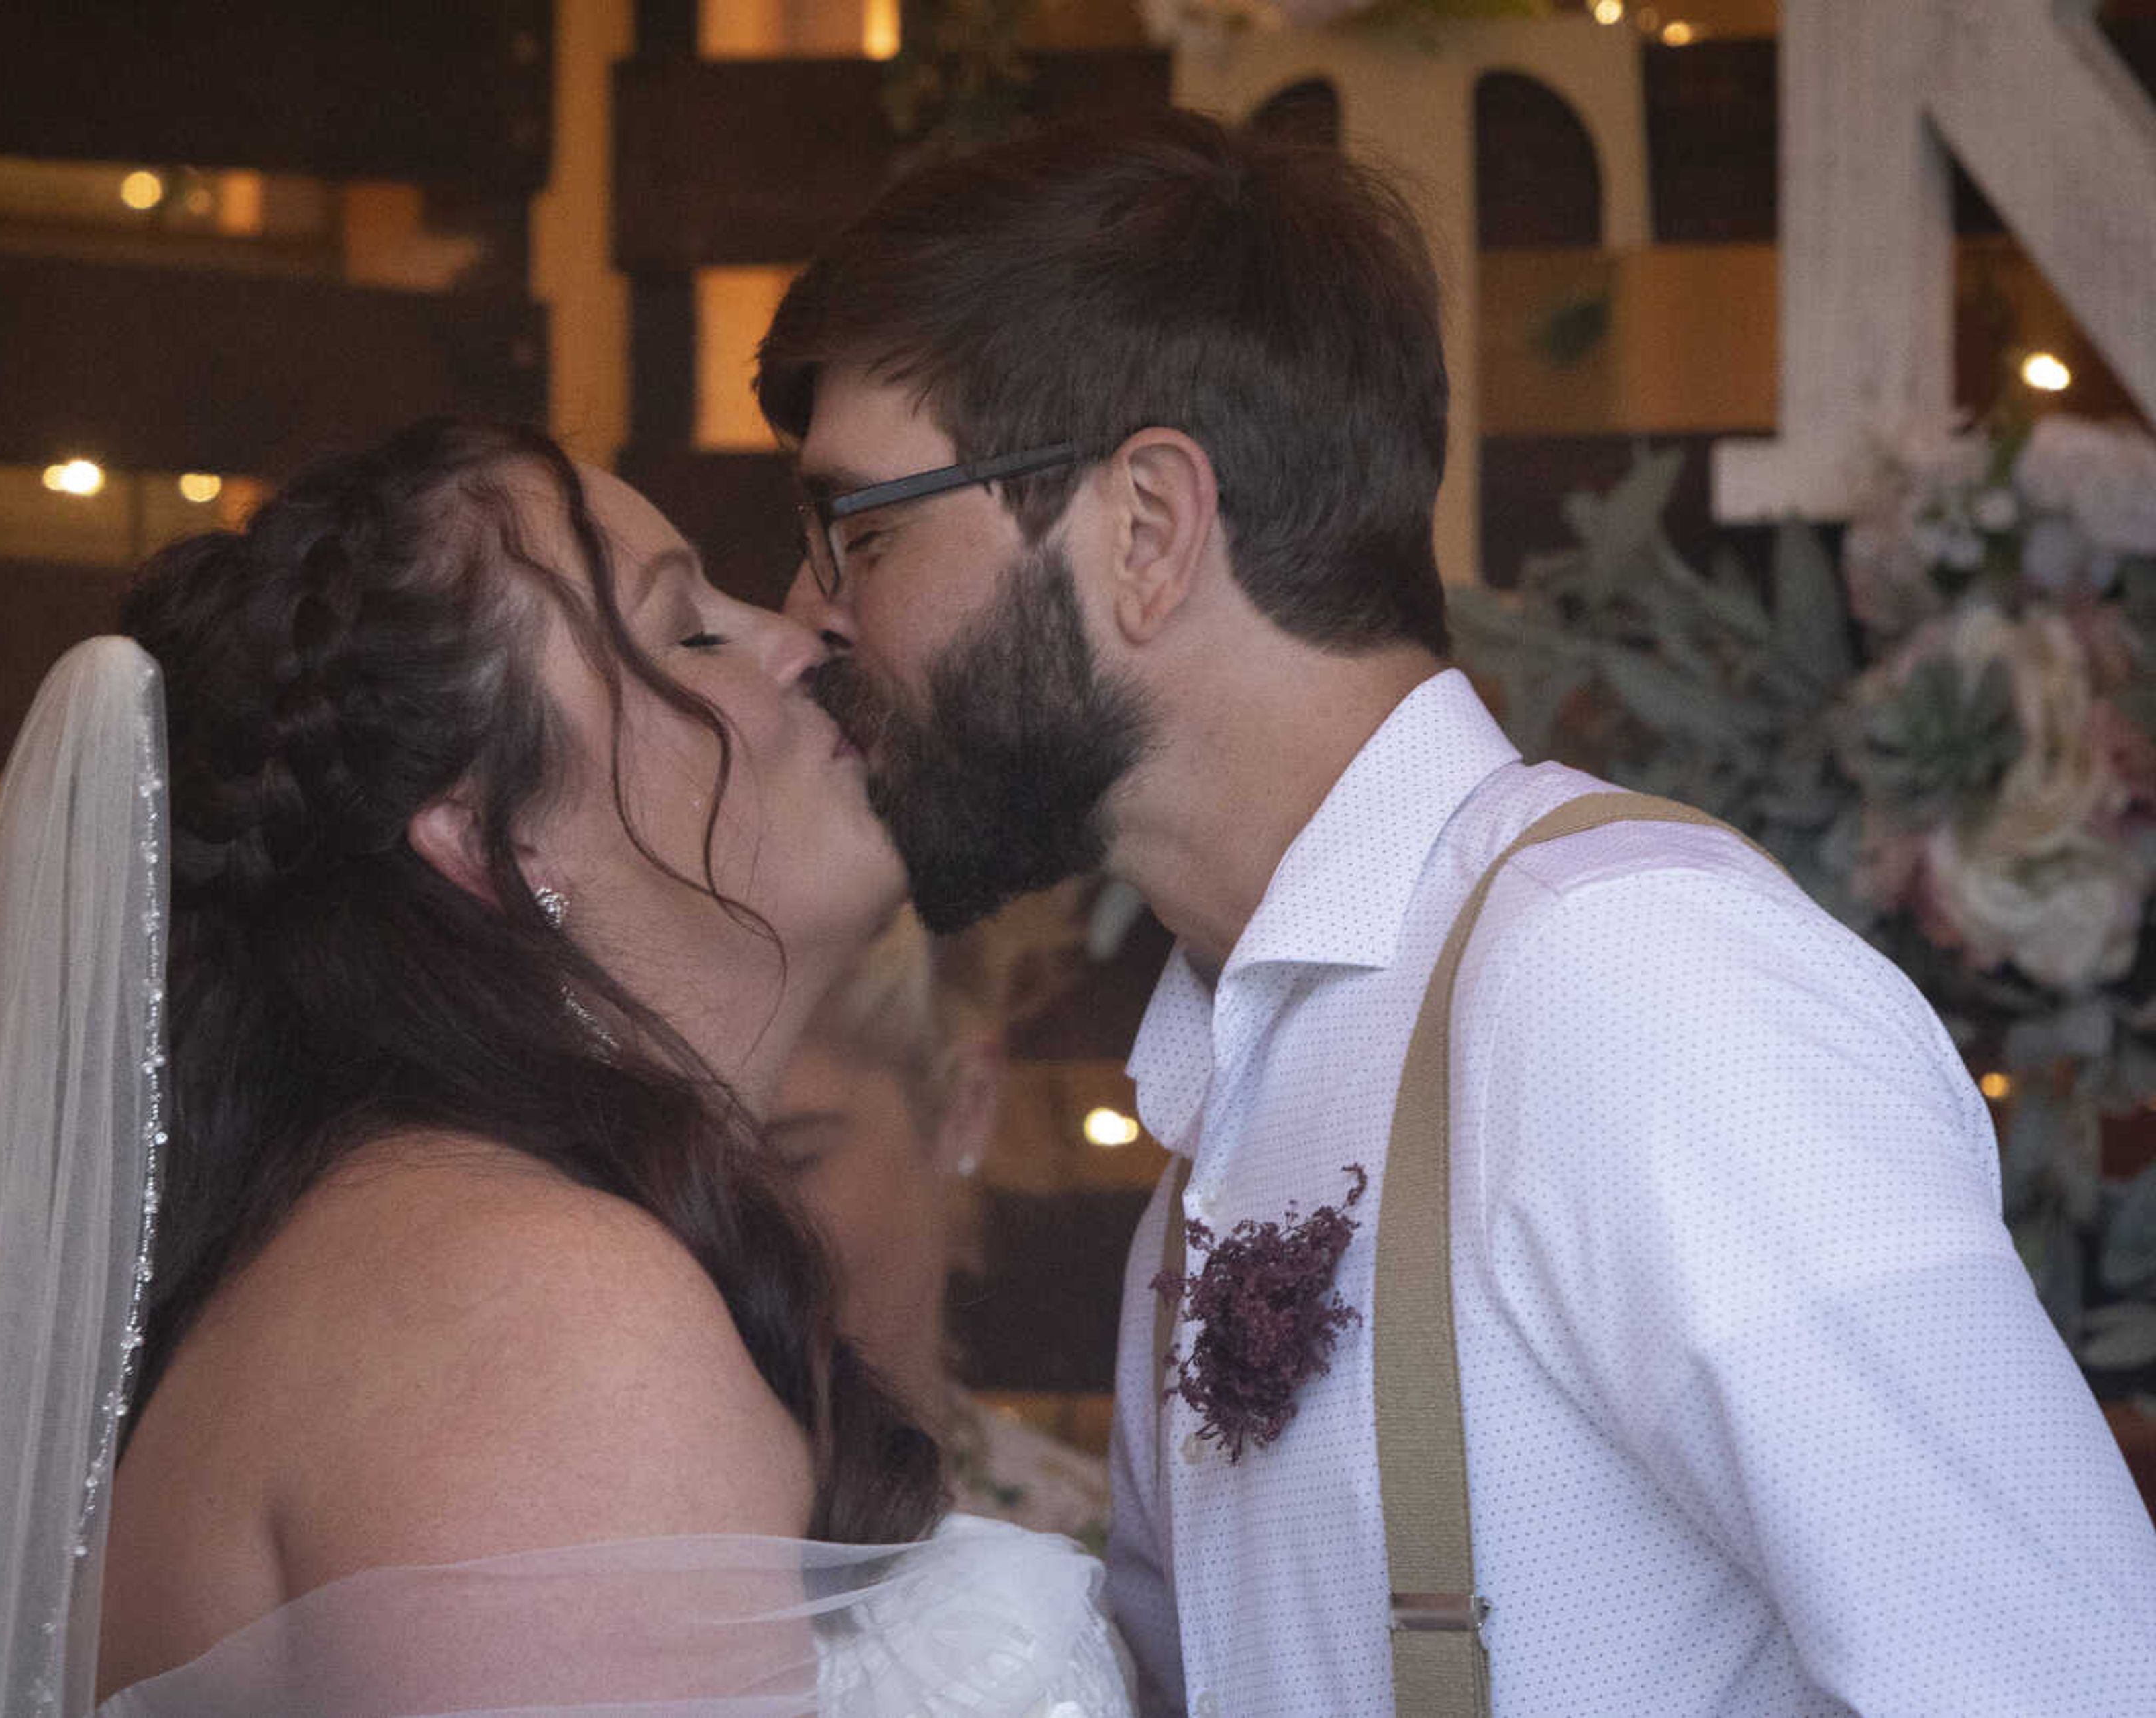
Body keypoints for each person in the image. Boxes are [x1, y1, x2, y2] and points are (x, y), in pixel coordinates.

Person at [758, 110, 2156, 1717]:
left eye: (860, 529)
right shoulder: (1242, 1088)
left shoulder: (1623, 978)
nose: (812, 614)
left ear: (1146, 528)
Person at [0, 417, 1134, 1715]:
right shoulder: (541, 1309)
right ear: (492, 841)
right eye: (687, 627)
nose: (801, 634)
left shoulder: (421, 1248)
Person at [770, 910, 1111, 1550]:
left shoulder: (1104, 1560)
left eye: (791, 1159)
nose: (717, 1216)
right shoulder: (589, 1523)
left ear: (964, 1103)